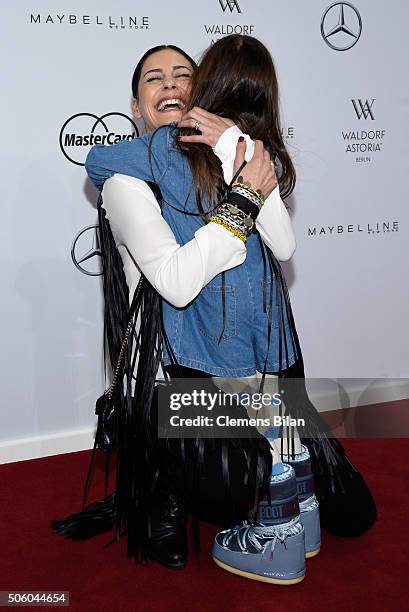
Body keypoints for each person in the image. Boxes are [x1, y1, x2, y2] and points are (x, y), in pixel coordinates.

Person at [52, 37, 377, 585]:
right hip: (178, 374)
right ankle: (165, 483)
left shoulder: (231, 156)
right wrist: (243, 199)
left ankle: (260, 478)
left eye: (183, 74)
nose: (171, 84)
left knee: (352, 510)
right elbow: (177, 283)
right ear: (136, 107)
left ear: (201, 91)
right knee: (239, 490)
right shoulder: (129, 178)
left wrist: (238, 155)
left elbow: (284, 244)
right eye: (154, 78)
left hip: (256, 367)